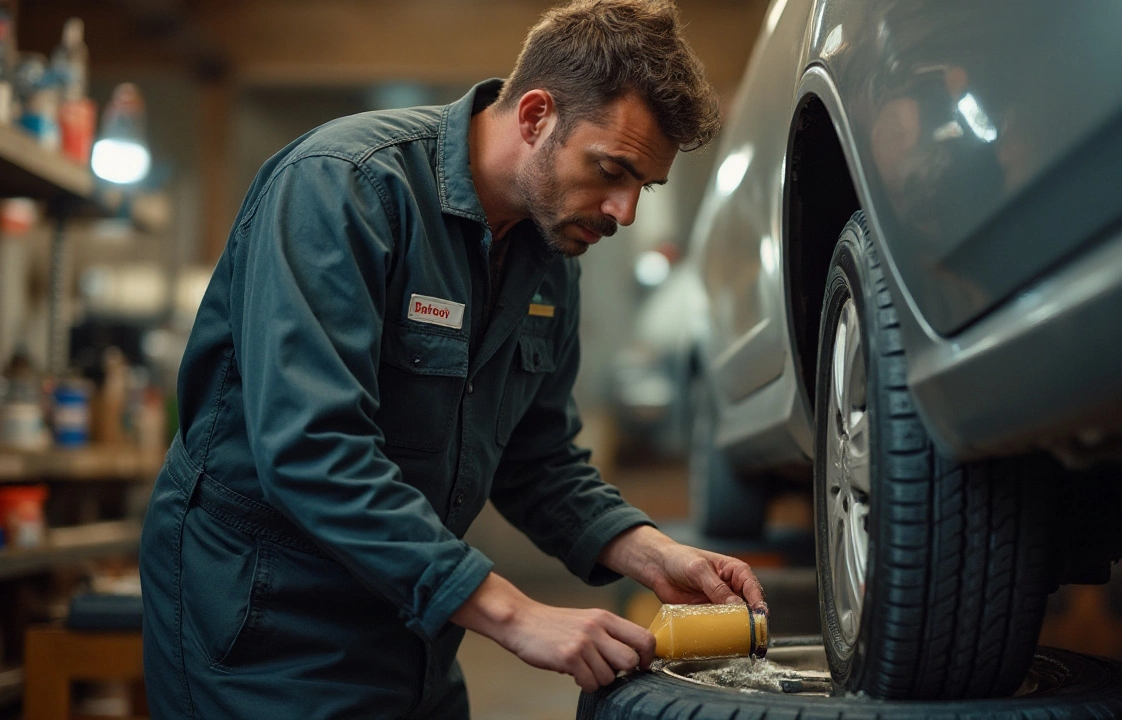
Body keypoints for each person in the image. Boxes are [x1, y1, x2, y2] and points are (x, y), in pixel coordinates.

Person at [139, 1, 765, 718]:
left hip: (414, 614)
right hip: (266, 616)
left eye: (642, 188)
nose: (624, 212)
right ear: (535, 116)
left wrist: (652, 553)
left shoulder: (547, 255)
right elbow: (312, 449)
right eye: (612, 170)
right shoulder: (344, 186)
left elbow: (539, 460)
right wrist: (515, 612)